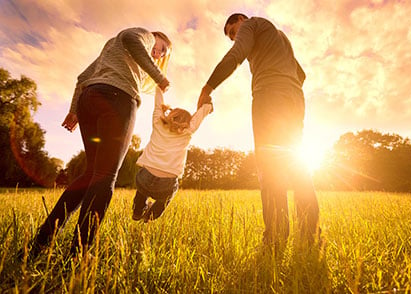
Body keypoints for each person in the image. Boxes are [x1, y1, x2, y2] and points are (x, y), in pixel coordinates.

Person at [29, 27, 172, 257]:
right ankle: (79, 253)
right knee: (106, 175)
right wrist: (160, 77)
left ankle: (40, 243)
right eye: (161, 47)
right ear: (155, 37)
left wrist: (74, 110)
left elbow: (83, 78)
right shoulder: (143, 35)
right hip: (118, 100)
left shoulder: (112, 49)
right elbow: (130, 37)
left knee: (91, 174)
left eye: (163, 54)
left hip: (90, 99)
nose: (159, 53)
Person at [198, 14, 319, 245]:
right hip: (294, 98)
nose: (235, 38)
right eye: (232, 36)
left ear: (241, 20)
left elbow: (236, 55)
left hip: (269, 96)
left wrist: (208, 88)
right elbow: (301, 74)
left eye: (234, 32)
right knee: (298, 166)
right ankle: (309, 236)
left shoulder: (252, 24)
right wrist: (286, 86)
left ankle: (275, 238)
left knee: (271, 166)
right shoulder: (280, 36)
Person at [132, 88, 213, 222]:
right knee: (167, 196)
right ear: (188, 121)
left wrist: (159, 88)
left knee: (142, 190)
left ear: (171, 115)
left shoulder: (158, 122)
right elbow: (200, 115)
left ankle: (137, 211)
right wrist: (208, 106)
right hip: (166, 184)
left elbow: (158, 103)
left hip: (144, 178)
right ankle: (151, 216)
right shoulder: (188, 130)